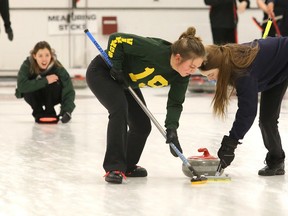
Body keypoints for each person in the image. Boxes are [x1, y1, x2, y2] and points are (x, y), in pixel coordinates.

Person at [86, 27, 206, 184]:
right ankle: (114, 167)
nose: (193, 71)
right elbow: (117, 39)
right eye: (191, 66)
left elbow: (175, 102)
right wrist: (116, 65)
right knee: (119, 108)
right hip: (103, 72)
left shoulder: (181, 76)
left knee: (141, 125)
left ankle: (127, 165)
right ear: (178, 58)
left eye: (196, 67)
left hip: (126, 81)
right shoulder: (155, 50)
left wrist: (172, 129)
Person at [198, 36, 288, 176]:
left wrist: (231, 142)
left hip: (282, 60)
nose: (210, 79)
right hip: (277, 71)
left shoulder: (241, 72)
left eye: (211, 74)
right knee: (267, 120)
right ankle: (276, 161)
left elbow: (247, 111)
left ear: (220, 66)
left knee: (266, 119)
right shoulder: (229, 58)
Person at [15, 41, 76, 123]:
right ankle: (38, 112)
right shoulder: (27, 65)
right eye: (40, 56)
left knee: (54, 81)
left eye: (47, 55)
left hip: (52, 97)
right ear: (34, 56)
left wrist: (67, 111)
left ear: (51, 55)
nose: (44, 59)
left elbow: (69, 89)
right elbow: (21, 86)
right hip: (35, 97)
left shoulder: (57, 67)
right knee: (28, 88)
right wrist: (45, 80)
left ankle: (50, 111)